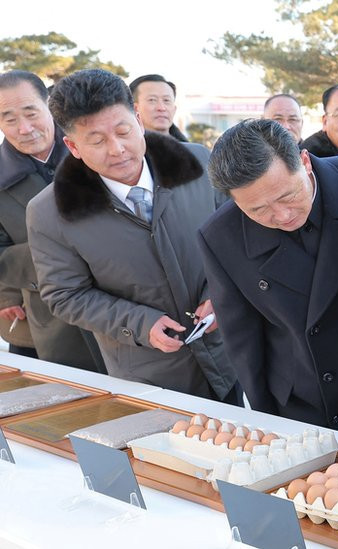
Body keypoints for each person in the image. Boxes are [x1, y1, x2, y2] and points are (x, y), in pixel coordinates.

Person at [199, 119, 338, 445]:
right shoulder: (221, 236)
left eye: (288, 195)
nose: (283, 215)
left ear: (304, 162)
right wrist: (267, 419)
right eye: (258, 210)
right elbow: (242, 338)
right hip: (301, 396)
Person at [26, 69, 240, 403]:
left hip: (229, 353)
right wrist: (141, 324)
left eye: (124, 131)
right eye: (96, 141)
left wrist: (219, 294)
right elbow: (65, 295)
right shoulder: (49, 211)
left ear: (138, 120)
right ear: (72, 145)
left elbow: (235, 240)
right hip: (149, 374)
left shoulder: (197, 162)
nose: (117, 149)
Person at [0, 70, 104, 371]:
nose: (24, 128)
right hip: (48, 314)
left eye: (31, 113)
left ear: (50, 105)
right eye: (9, 119)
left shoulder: (93, 151)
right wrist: (55, 255)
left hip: (119, 302)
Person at [130, 74, 188, 142]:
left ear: (174, 109)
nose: (162, 108)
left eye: (166, 100)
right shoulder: (120, 150)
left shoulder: (194, 151)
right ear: (134, 108)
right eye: (152, 100)